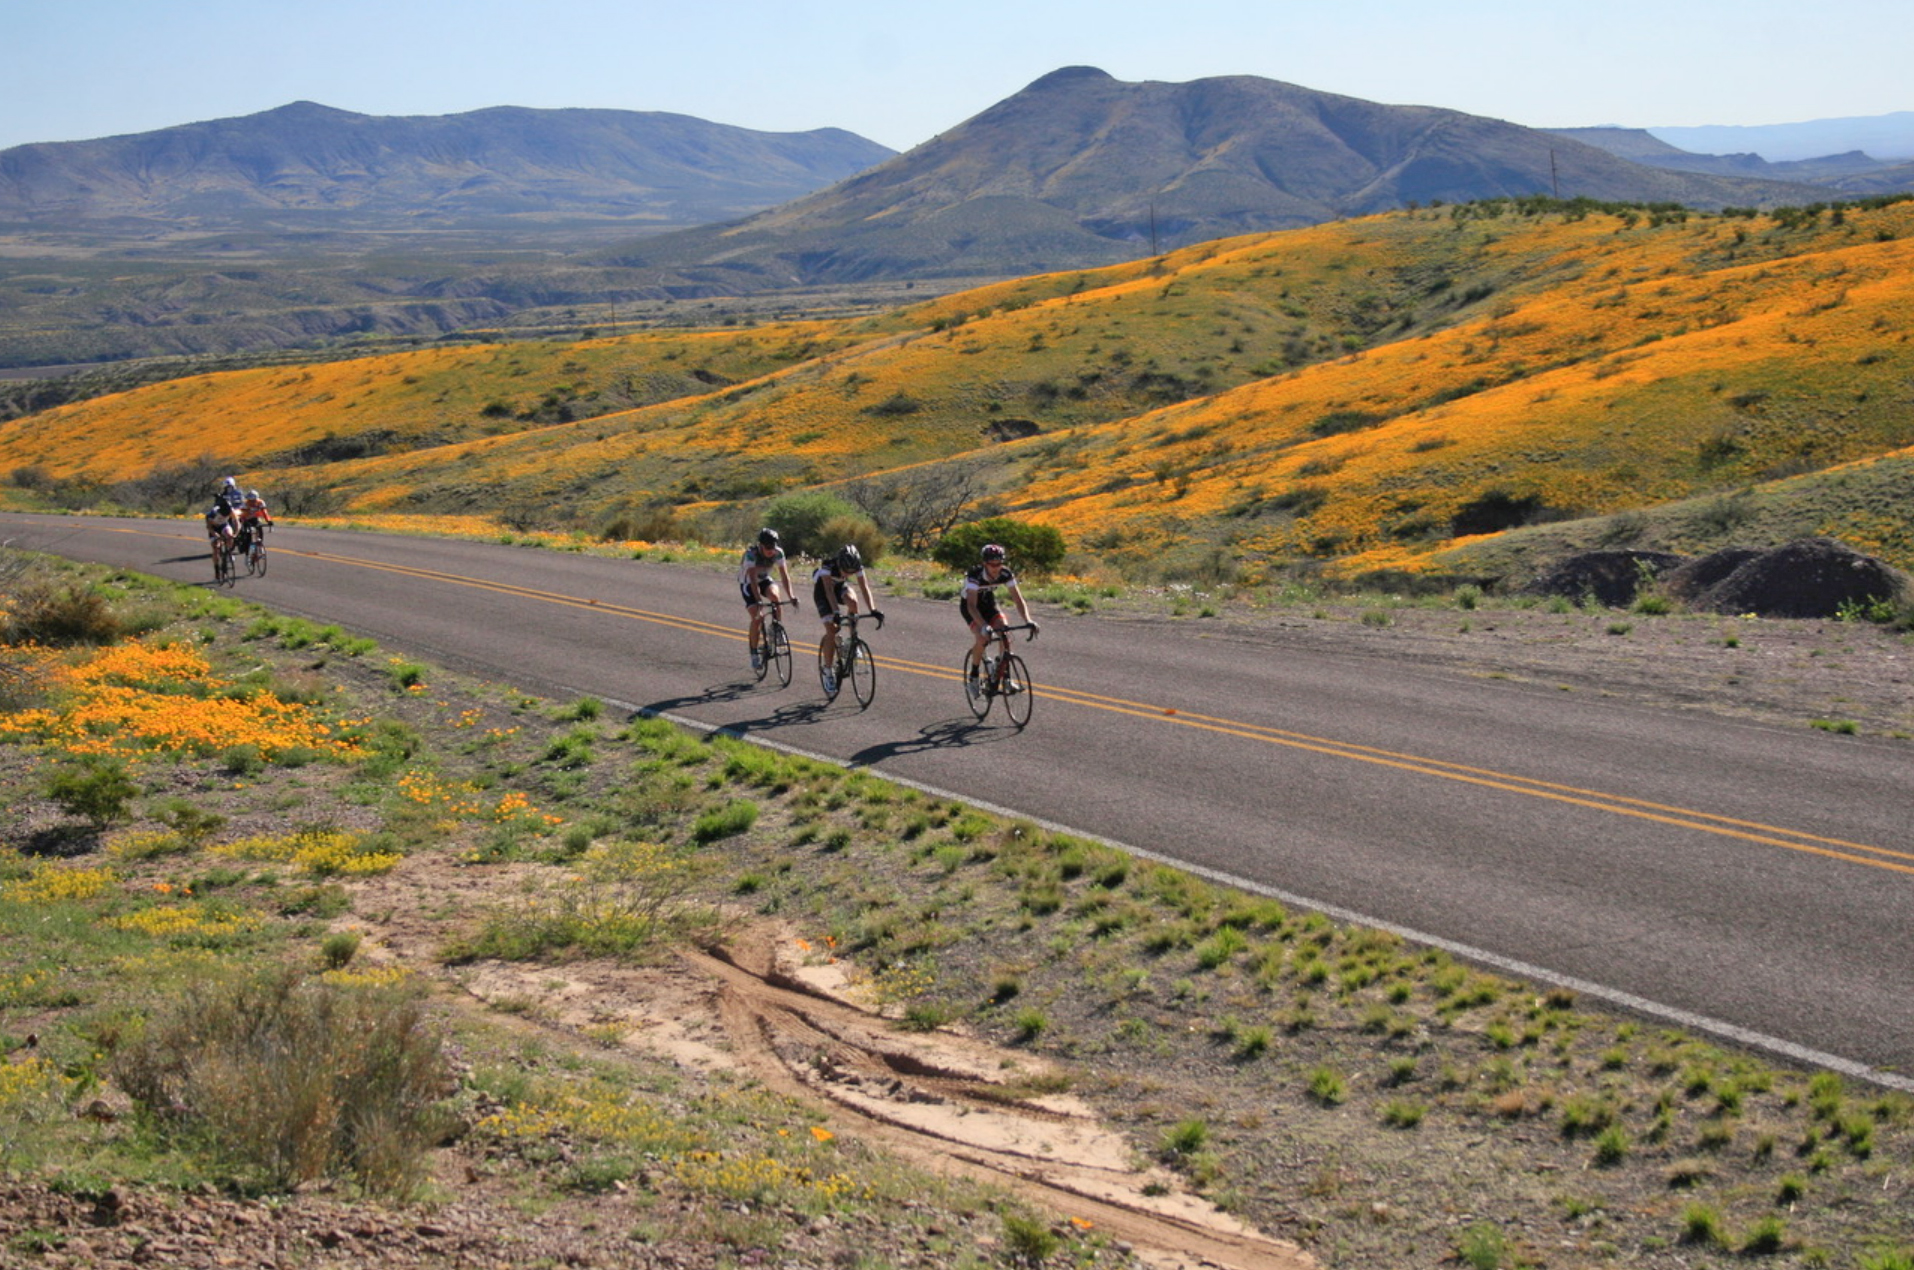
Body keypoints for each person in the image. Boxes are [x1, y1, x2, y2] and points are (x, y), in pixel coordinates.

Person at [960, 542, 1039, 699]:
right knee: (982, 638)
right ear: (985, 563)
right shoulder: (975, 576)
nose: (996, 568)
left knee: (1005, 632)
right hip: (972, 607)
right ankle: (974, 675)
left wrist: (1028, 620)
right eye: (992, 564)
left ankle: (1003, 673)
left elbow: (1018, 599)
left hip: (989, 604)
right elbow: (971, 606)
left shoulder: (1005, 573)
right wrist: (983, 626)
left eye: (999, 563)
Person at [812, 544, 882, 694]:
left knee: (853, 602)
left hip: (839, 588)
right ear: (839, 563)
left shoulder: (856, 565)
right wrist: (836, 612)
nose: (849, 574)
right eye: (846, 571)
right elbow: (829, 591)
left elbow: (864, 588)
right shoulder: (828, 565)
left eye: (852, 572)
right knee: (832, 629)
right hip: (823, 592)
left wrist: (873, 609)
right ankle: (828, 671)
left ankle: (852, 641)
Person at [738, 527, 793, 670]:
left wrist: (791, 596)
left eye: (773, 547)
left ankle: (776, 629)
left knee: (775, 597)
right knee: (758, 617)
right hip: (749, 584)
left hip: (764, 579)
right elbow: (753, 580)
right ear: (761, 546)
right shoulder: (751, 555)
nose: (771, 551)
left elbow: (784, 576)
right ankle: (754, 653)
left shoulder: (778, 553)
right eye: (768, 547)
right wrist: (758, 600)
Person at [235, 488, 273, 555]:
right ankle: (242, 543)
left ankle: (259, 544)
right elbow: (242, 513)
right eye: (250, 500)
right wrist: (242, 519)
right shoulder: (246, 503)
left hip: (255, 519)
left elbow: (264, 512)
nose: (252, 502)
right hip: (246, 519)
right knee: (246, 532)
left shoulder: (260, 502)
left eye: (254, 500)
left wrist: (268, 521)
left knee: (259, 528)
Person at [204, 498, 239, 566]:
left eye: (227, 514)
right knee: (216, 548)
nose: (225, 516)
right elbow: (209, 527)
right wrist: (215, 534)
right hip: (214, 528)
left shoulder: (231, 510)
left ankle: (229, 552)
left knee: (229, 535)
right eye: (223, 514)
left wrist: (235, 534)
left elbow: (237, 523)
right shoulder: (212, 513)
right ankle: (216, 567)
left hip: (224, 525)